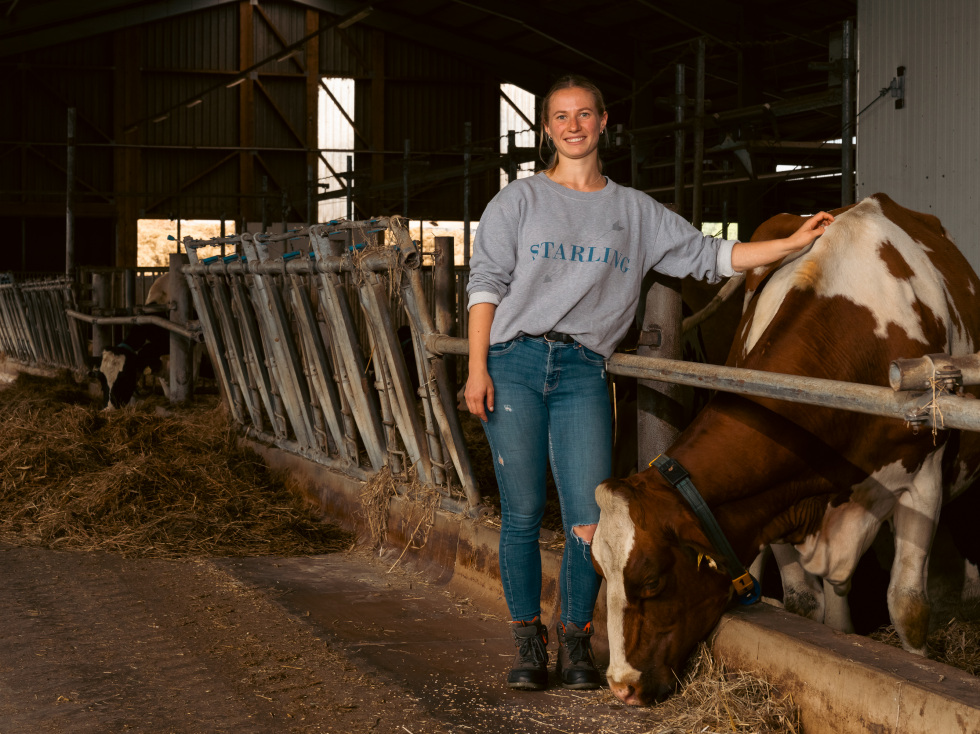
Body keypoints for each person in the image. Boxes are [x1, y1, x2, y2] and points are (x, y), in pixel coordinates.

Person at [464, 74, 833, 692]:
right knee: (523, 512)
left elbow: (707, 256)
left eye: (585, 114)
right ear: (548, 128)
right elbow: (485, 285)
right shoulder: (519, 202)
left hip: (584, 369)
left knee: (589, 518)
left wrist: (788, 244)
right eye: (561, 116)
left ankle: (577, 643)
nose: (573, 126)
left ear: (604, 122)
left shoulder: (635, 212)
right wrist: (477, 367)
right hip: (514, 362)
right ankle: (529, 642)